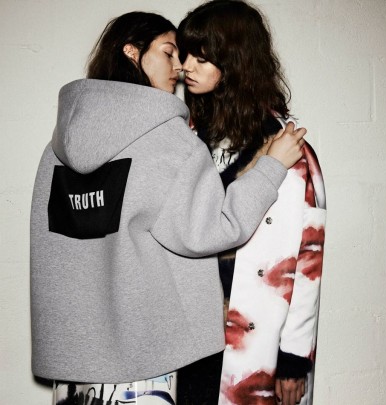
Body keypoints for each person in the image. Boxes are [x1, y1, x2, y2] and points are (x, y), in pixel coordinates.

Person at [29, 11, 306, 405]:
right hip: (148, 361)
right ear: (132, 52)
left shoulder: (56, 149)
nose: (179, 67)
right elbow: (214, 229)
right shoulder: (167, 138)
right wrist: (271, 167)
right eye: (168, 52)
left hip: (77, 364)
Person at [176, 1, 327, 404]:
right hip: (187, 339)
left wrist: (293, 359)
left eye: (201, 57)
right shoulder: (185, 137)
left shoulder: (287, 148)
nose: (186, 67)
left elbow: (307, 259)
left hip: (252, 344)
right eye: (185, 54)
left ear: (235, 62)